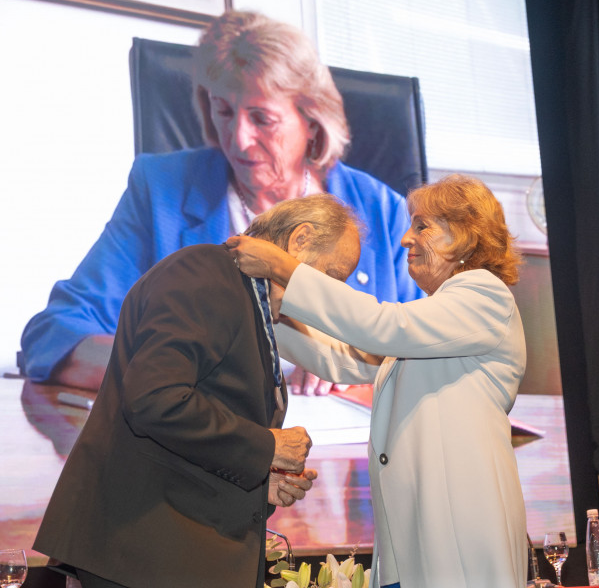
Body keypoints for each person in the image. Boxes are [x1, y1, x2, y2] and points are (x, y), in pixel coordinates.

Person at [20, 9, 421, 391]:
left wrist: (354, 358)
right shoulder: (161, 192)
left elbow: (440, 350)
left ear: (312, 121)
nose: (239, 138)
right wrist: (171, 366)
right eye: (224, 111)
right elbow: (55, 333)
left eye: (262, 118)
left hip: (351, 449)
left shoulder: (382, 212)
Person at [33, 194, 362, 588]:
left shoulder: (246, 298)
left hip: (170, 556)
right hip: (143, 557)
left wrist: (260, 480)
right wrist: (264, 447)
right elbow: (156, 399)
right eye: (334, 275)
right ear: (299, 241)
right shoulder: (207, 272)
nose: (332, 295)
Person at [227, 174, 528, 588]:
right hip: (411, 533)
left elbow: (382, 327)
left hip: (459, 523)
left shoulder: (484, 295)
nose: (405, 238)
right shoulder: (432, 321)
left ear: (465, 236)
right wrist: (265, 306)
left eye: (422, 225)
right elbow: (340, 359)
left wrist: (281, 266)